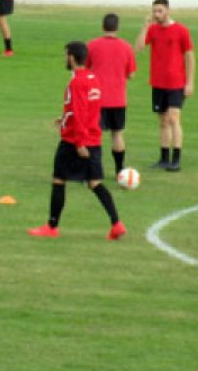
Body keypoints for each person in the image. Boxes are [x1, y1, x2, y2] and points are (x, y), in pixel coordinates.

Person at [27, 42, 126, 241]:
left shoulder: (77, 82)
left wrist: (80, 142)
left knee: (58, 180)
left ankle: (52, 226)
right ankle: (116, 224)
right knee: (95, 183)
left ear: (72, 57)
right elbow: (87, 110)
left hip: (75, 140)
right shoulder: (93, 79)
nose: (65, 59)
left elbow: (81, 112)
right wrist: (64, 118)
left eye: (66, 55)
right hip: (94, 138)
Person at [134, 0, 195, 172]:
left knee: (174, 118)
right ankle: (163, 158)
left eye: (160, 11)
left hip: (176, 82)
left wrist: (190, 82)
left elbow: (190, 57)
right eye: (154, 11)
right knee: (162, 121)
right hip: (158, 82)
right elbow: (138, 48)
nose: (157, 14)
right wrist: (145, 26)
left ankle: (176, 159)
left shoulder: (181, 31)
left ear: (168, 10)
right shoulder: (152, 30)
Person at [87, 13, 136, 177]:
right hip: (118, 99)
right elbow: (131, 74)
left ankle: (95, 171)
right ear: (117, 27)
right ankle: (119, 169)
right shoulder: (126, 47)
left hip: (96, 100)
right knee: (117, 134)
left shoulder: (92, 45)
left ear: (103, 27)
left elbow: (85, 69)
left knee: (94, 135)